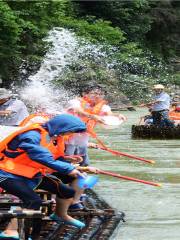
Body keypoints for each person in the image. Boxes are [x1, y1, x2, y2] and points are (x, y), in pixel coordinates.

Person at [0, 114, 88, 239]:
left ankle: (60, 215)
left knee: (66, 192)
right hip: (6, 173)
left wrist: (73, 165)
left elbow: (54, 157)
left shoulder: (52, 137)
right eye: (69, 131)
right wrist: (68, 169)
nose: (69, 134)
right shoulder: (32, 135)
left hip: (29, 173)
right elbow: (39, 156)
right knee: (33, 201)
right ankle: (10, 231)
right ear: (61, 127)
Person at [65, 85, 126, 166]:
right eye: (95, 93)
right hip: (66, 137)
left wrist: (118, 116)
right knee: (68, 162)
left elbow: (109, 115)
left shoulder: (103, 107)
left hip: (82, 140)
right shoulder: (75, 102)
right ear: (84, 94)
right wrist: (92, 116)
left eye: (101, 94)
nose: (98, 96)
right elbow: (78, 111)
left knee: (84, 164)